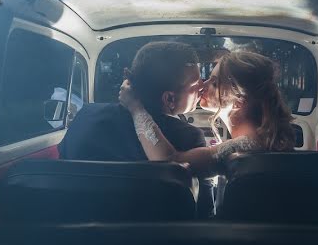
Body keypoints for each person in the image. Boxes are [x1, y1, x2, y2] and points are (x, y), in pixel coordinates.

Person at [58, 41, 217, 217]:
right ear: (169, 99)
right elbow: (204, 212)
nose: (202, 87)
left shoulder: (85, 116)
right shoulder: (190, 137)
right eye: (196, 85)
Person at [119, 50, 295, 181]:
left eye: (215, 83)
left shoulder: (246, 145)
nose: (203, 85)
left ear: (239, 101)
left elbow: (169, 162)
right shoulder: (261, 139)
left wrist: (135, 107)